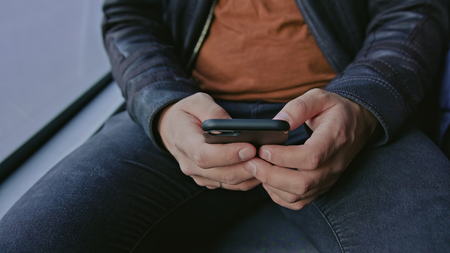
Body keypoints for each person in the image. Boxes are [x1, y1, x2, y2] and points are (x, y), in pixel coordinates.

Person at [1, 0, 449, 252]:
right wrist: (163, 105)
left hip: (342, 109)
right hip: (191, 112)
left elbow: (413, 10)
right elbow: (127, 17)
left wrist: (361, 104)